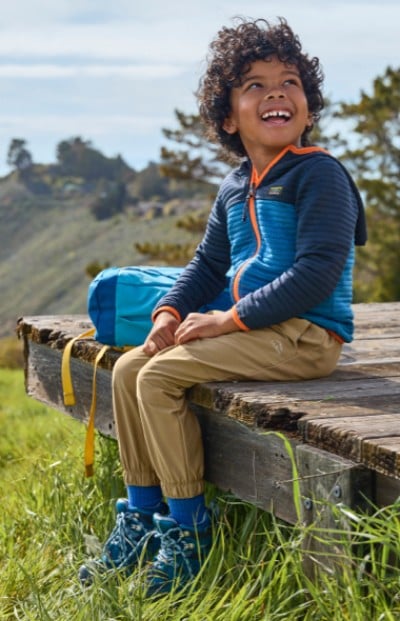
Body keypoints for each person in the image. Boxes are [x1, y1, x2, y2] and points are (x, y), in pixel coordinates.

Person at [79, 16, 366, 596]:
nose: (276, 92)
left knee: (158, 380)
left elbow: (316, 273)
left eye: (289, 82)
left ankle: (190, 533)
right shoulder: (236, 186)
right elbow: (206, 267)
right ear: (229, 117)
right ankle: (140, 516)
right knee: (132, 366)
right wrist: (166, 317)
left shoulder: (321, 176)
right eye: (254, 85)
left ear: (307, 107)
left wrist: (224, 321)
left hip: (307, 335)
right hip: (259, 331)